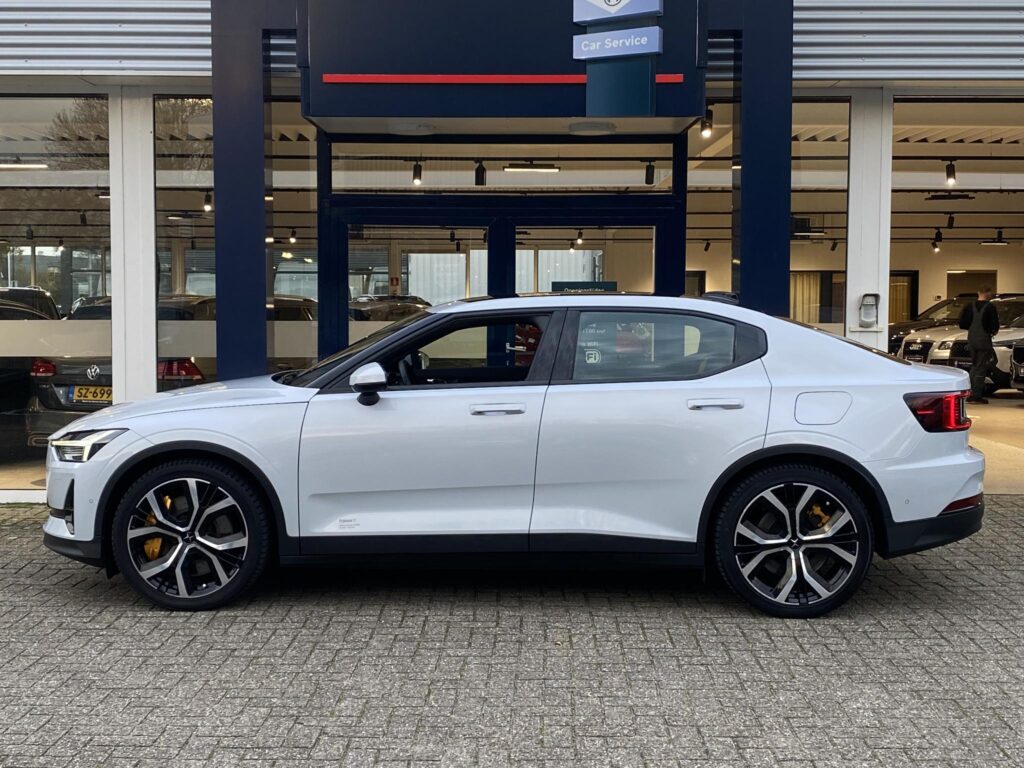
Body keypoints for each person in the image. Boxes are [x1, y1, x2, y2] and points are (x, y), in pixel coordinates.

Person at [958, 286, 1000, 404]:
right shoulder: (990, 307)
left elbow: (962, 323)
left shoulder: (969, 306)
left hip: (972, 339)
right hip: (984, 340)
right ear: (988, 293)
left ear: (978, 292)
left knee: (974, 365)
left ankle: (968, 392)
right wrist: (992, 331)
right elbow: (994, 325)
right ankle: (976, 395)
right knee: (981, 367)